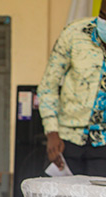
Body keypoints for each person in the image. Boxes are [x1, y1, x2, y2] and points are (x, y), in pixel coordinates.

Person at [39, 6, 106, 176]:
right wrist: (52, 132)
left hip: (103, 148)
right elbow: (48, 85)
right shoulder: (74, 33)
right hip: (66, 140)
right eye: (103, 16)